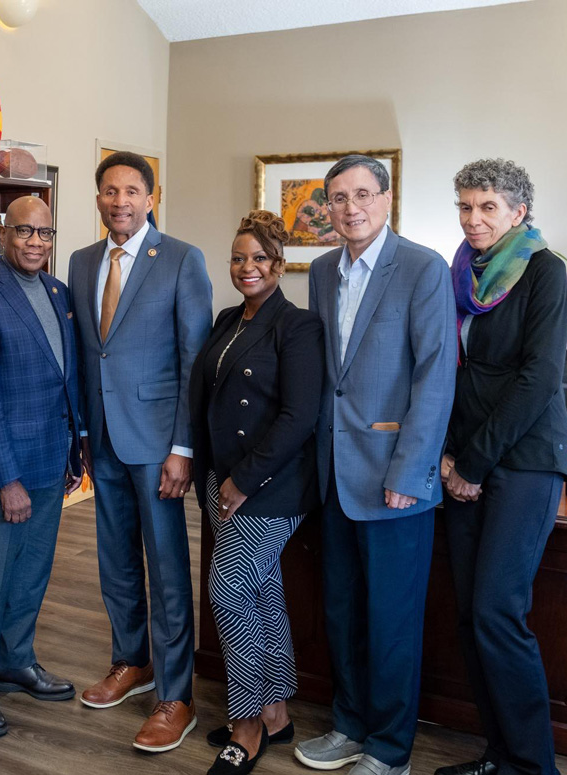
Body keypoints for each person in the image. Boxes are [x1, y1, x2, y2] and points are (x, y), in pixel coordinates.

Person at [297, 155, 456, 775]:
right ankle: (349, 725)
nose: (351, 208)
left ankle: (390, 750)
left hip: (394, 479)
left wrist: (410, 473)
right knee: (342, 612)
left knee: (392, 622)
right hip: (334, 476)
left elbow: (435, 377)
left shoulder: (422, 267)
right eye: (338, 198)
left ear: (387, 199)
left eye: (363, 194)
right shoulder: (321, 271)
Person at [68, 152, 213, 752]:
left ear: (151, 198)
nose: (120, 200)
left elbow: (194, 361)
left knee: (168, 570)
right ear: (98, 197)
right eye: (110, 190)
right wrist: (82, 432)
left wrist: (183, 446)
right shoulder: (81, 262)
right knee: (116, 562)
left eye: (131, 190)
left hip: (158, 444)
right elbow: (88, 355)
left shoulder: (181, 258)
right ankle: (132, 661)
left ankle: (176, 695)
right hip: (102, 438)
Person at [435, 159, 567, 775]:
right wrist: (447, 452)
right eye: (466, 206)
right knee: (470, 615)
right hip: (466, 457)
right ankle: (500, 756)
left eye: (488, 206)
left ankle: (533, 766)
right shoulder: (461, 272)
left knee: (497, 610)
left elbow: (539, 379)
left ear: (519, 211)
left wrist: (472, 462)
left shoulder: (544, 271)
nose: (473, 218)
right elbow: (451, 369)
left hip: (524, 460)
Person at [189, 210, 324, 775]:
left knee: (227, 591)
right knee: (260, 592)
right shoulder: (228, 319)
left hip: (269, 485)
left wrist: (244, 480)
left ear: (279, 264)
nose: (248, 267)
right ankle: (276, 713)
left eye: (259, 258)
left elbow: (299, 417)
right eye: (239, 258)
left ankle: (246, 726)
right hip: (222, 478)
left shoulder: (297, 326)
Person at [0, 196, 82, 738]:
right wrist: (7, 480)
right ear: (3, 233)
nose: (35, 242)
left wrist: (75, 449)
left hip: (52, 457)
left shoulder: (57, 292)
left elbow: (65, 377)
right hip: (7, 469)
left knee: (32, 571)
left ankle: (15, 660)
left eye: (44, 233)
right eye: (25, 231)